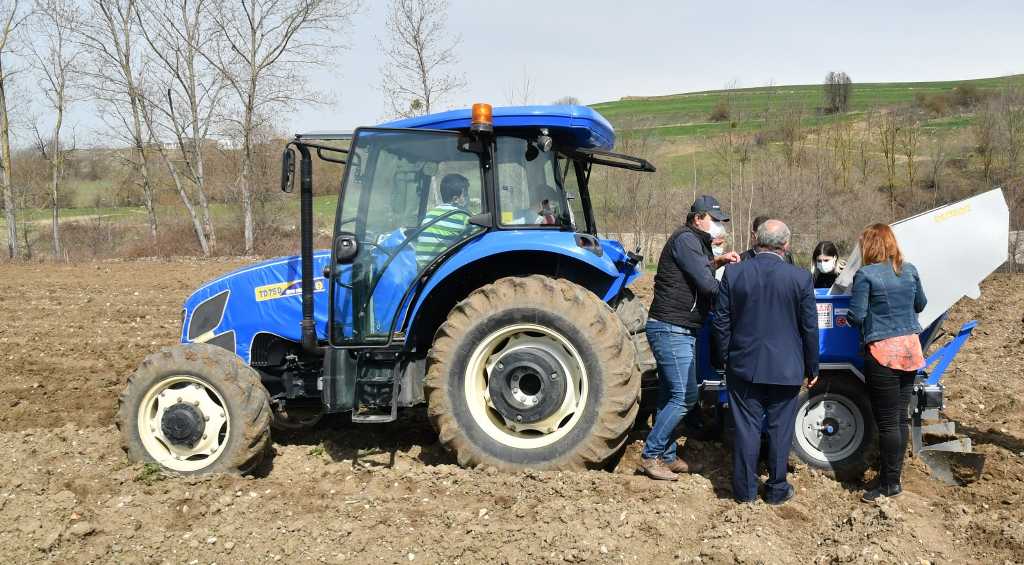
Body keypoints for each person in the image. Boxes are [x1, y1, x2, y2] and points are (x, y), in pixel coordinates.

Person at [712, 219, 818, 505]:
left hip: (743, 366)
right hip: (786, 368)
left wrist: (724, 358)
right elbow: (809, 327)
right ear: (786, 245)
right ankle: (776, 488)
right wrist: (812, 367)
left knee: (746, 429)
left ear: (756, 240)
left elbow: (721, 322)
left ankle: (745, 492)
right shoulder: (799, 278)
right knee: (780, 430)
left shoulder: (734, 274)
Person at [640, 194, 741, 481]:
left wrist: (718, 260)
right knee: (686, 396)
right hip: (671, 326)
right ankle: (651, 454)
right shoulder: (686, 240)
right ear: (699, 218)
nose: (720, 226)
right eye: (716, 220)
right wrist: (740, 291)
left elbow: (698, 270)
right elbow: (707, 285)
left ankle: (667, 455)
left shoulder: (695, 242)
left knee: (668, 394)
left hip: (680, 326)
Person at [847, 223, 927, 502]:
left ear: (868, 247)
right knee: (900, 418)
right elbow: (921, 304)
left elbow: (856, 315)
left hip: (883, 352)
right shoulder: (910, 269)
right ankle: (894, 479)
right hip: (910, 350)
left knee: (887, 422)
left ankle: (889, 484)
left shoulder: (866, 275)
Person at [415, 173, 472, 267]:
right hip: (437, 267)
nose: (468, 198)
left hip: (421, 267)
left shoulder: (430, 214)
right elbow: (479, 232)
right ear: (456, 199)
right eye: (465, 195)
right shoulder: (461, 215)